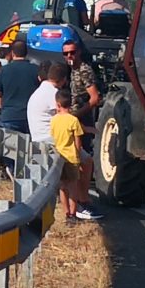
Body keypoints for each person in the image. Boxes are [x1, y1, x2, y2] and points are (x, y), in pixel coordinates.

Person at [51, 82, 95, 222]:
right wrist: (78, 152)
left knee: (63, 186)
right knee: (73, 187)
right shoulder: (73, 120)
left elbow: (54, 137)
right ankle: (74, 213)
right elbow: (78, 141)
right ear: (70, 104)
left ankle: (66, 212)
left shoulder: (54, 120)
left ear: (57, 104)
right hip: (72, 157)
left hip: (59, 156)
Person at [0, 51, 40, 133]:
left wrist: (2, 107)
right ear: (26, 53)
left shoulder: (4, 70)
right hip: (29, 116)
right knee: (29, 145)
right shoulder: (36, 69)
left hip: (9, 116)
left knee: (10, 145)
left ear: (13, 53)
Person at [26, 59, 60, 148]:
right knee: (87, 159)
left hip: (36, 139)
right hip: (51, 140)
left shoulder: (35, 95)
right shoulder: (53, 92)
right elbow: (63, 117)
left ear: (39, 78)